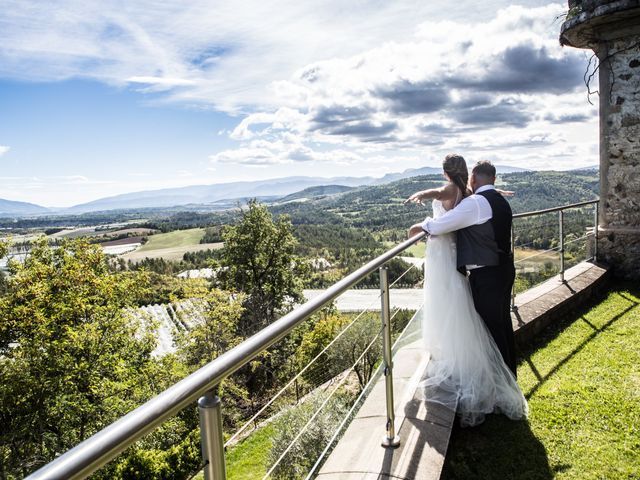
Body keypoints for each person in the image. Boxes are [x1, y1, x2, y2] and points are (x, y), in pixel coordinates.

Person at [406, 155, 527, 427]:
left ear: (474, 178)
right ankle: (508, 380)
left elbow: (443, 225)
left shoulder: (476, 203)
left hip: (488, 274)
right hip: (504, 268)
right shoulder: (496, 199)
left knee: (491, 330)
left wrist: (420, 226)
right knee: (501, 325)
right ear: (492, 179)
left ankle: (501, 389)